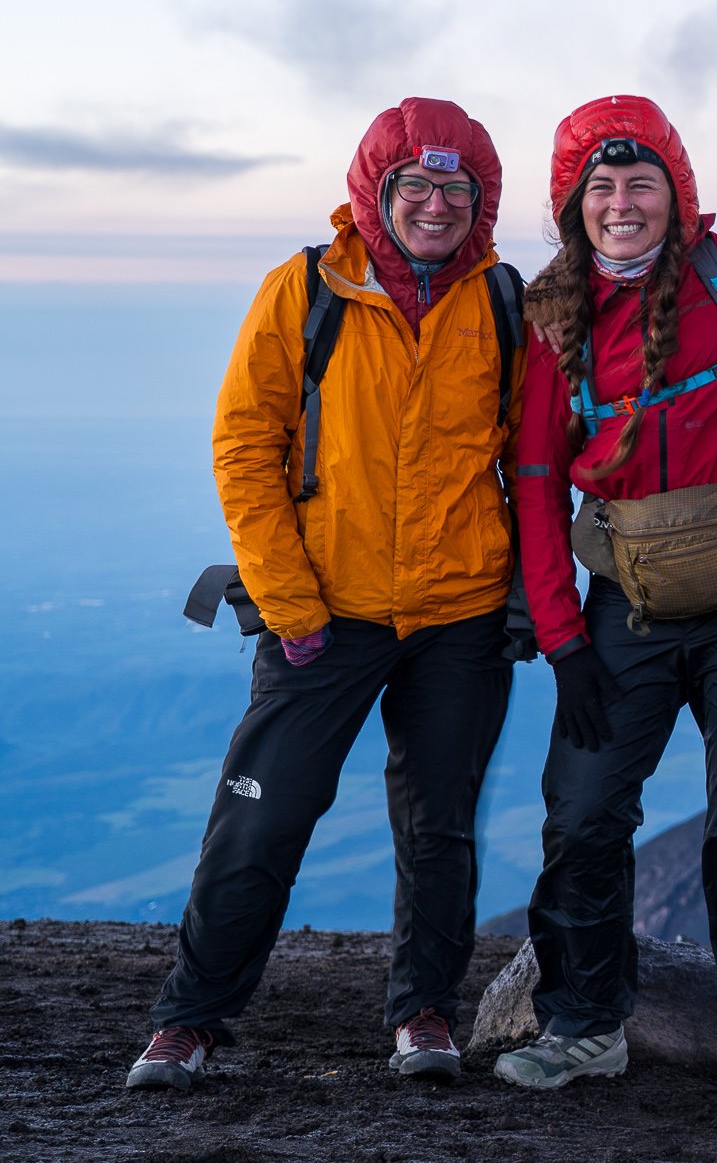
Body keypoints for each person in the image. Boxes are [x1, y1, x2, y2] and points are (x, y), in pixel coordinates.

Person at [127, 99, 522, 1091]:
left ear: (481, 202)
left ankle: (424, 1012)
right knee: (260, 818)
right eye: (414, 185)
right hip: (322, 611)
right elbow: (244, 448)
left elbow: (529, 458)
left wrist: (519, 597)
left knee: (439, 827)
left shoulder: (502, 299)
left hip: (459, 613)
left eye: (457, 190)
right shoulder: (305, 289)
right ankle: (190, 1018)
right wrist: (289, 602)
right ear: (376, 192)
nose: (434, 206)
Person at [496, 94, 717, 1129]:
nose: (621, 203)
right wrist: (564, 641)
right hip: (630, 609)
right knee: (582, 813)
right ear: (573, 205)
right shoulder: (553, 325)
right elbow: (533, 483)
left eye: (640, 182)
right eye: (599, 187)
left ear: (676, 193)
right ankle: (584, 1023)